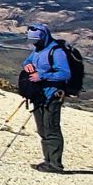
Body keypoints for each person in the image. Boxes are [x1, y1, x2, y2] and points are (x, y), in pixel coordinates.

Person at [20, 22, 72, 172]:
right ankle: (47, 161)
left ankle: (55, 164)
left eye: (35, 39)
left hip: (52, 95)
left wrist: (42, 76)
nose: (34, 42)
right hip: (38, 95)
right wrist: (26, 65)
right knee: (43, 130)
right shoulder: (38, 49)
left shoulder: (56, 52)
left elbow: (65, 73)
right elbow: (28, 60)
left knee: (51, 129)